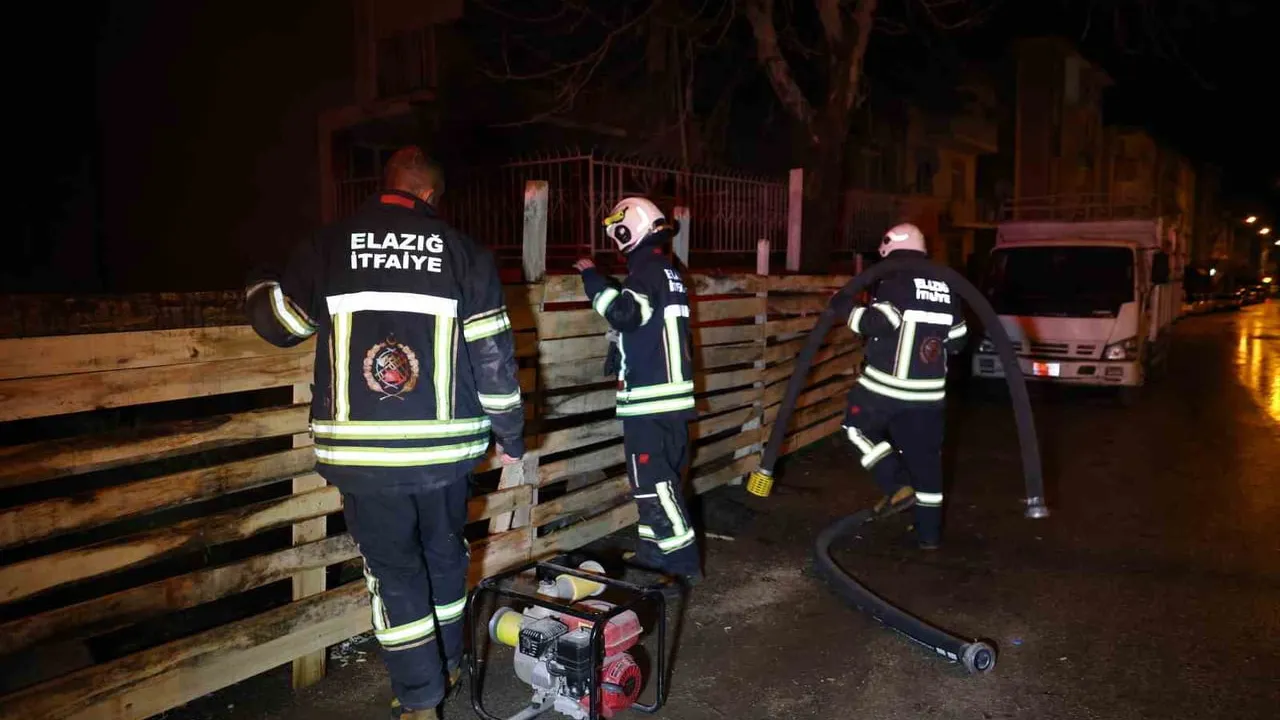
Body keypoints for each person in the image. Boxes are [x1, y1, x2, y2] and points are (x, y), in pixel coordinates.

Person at [244, 147, 524, 720]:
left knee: (394, 572)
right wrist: (511, 435)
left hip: (364, 457)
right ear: (432, 196)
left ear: (385, 186)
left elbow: (283, 325)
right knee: (445, 556)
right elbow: (493, 356)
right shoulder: (464, 253)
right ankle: (448, 661)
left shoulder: (328, 245)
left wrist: (257, 284)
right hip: (446, 454)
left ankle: (421, 700)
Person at [572, 197, 703, 587]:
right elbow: (650, 329)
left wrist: (593, 280)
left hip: (651, 401)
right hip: (672, 400)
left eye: (616, 230)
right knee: (658, 482)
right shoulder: (670, 271)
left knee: (653, 483)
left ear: (629, 229)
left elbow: (627, 315)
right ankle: (652, 554)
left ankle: (681, 561)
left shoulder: (647, 271)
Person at [841, 223, 967, 550]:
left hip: (885, 388)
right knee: (926, 462)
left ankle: (896, 484)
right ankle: (929, 535)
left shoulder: (895, 281)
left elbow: (876, 323)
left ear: (888, 249)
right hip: (930, 396)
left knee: (857, 428)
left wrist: (846, 310)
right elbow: (958, 342)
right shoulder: (945, 285)